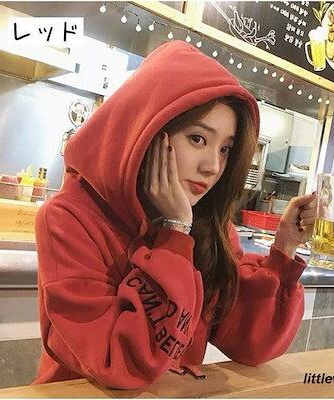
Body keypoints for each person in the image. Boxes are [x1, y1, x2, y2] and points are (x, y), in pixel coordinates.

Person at [33, 41, 317, 389]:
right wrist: (174, 236)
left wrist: (284, 248)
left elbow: (251, 343)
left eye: (225, 149)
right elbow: (118, 364)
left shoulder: (207, 226)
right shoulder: (69, 218)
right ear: (147, 132)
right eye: (198, 139)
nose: (212, 166)